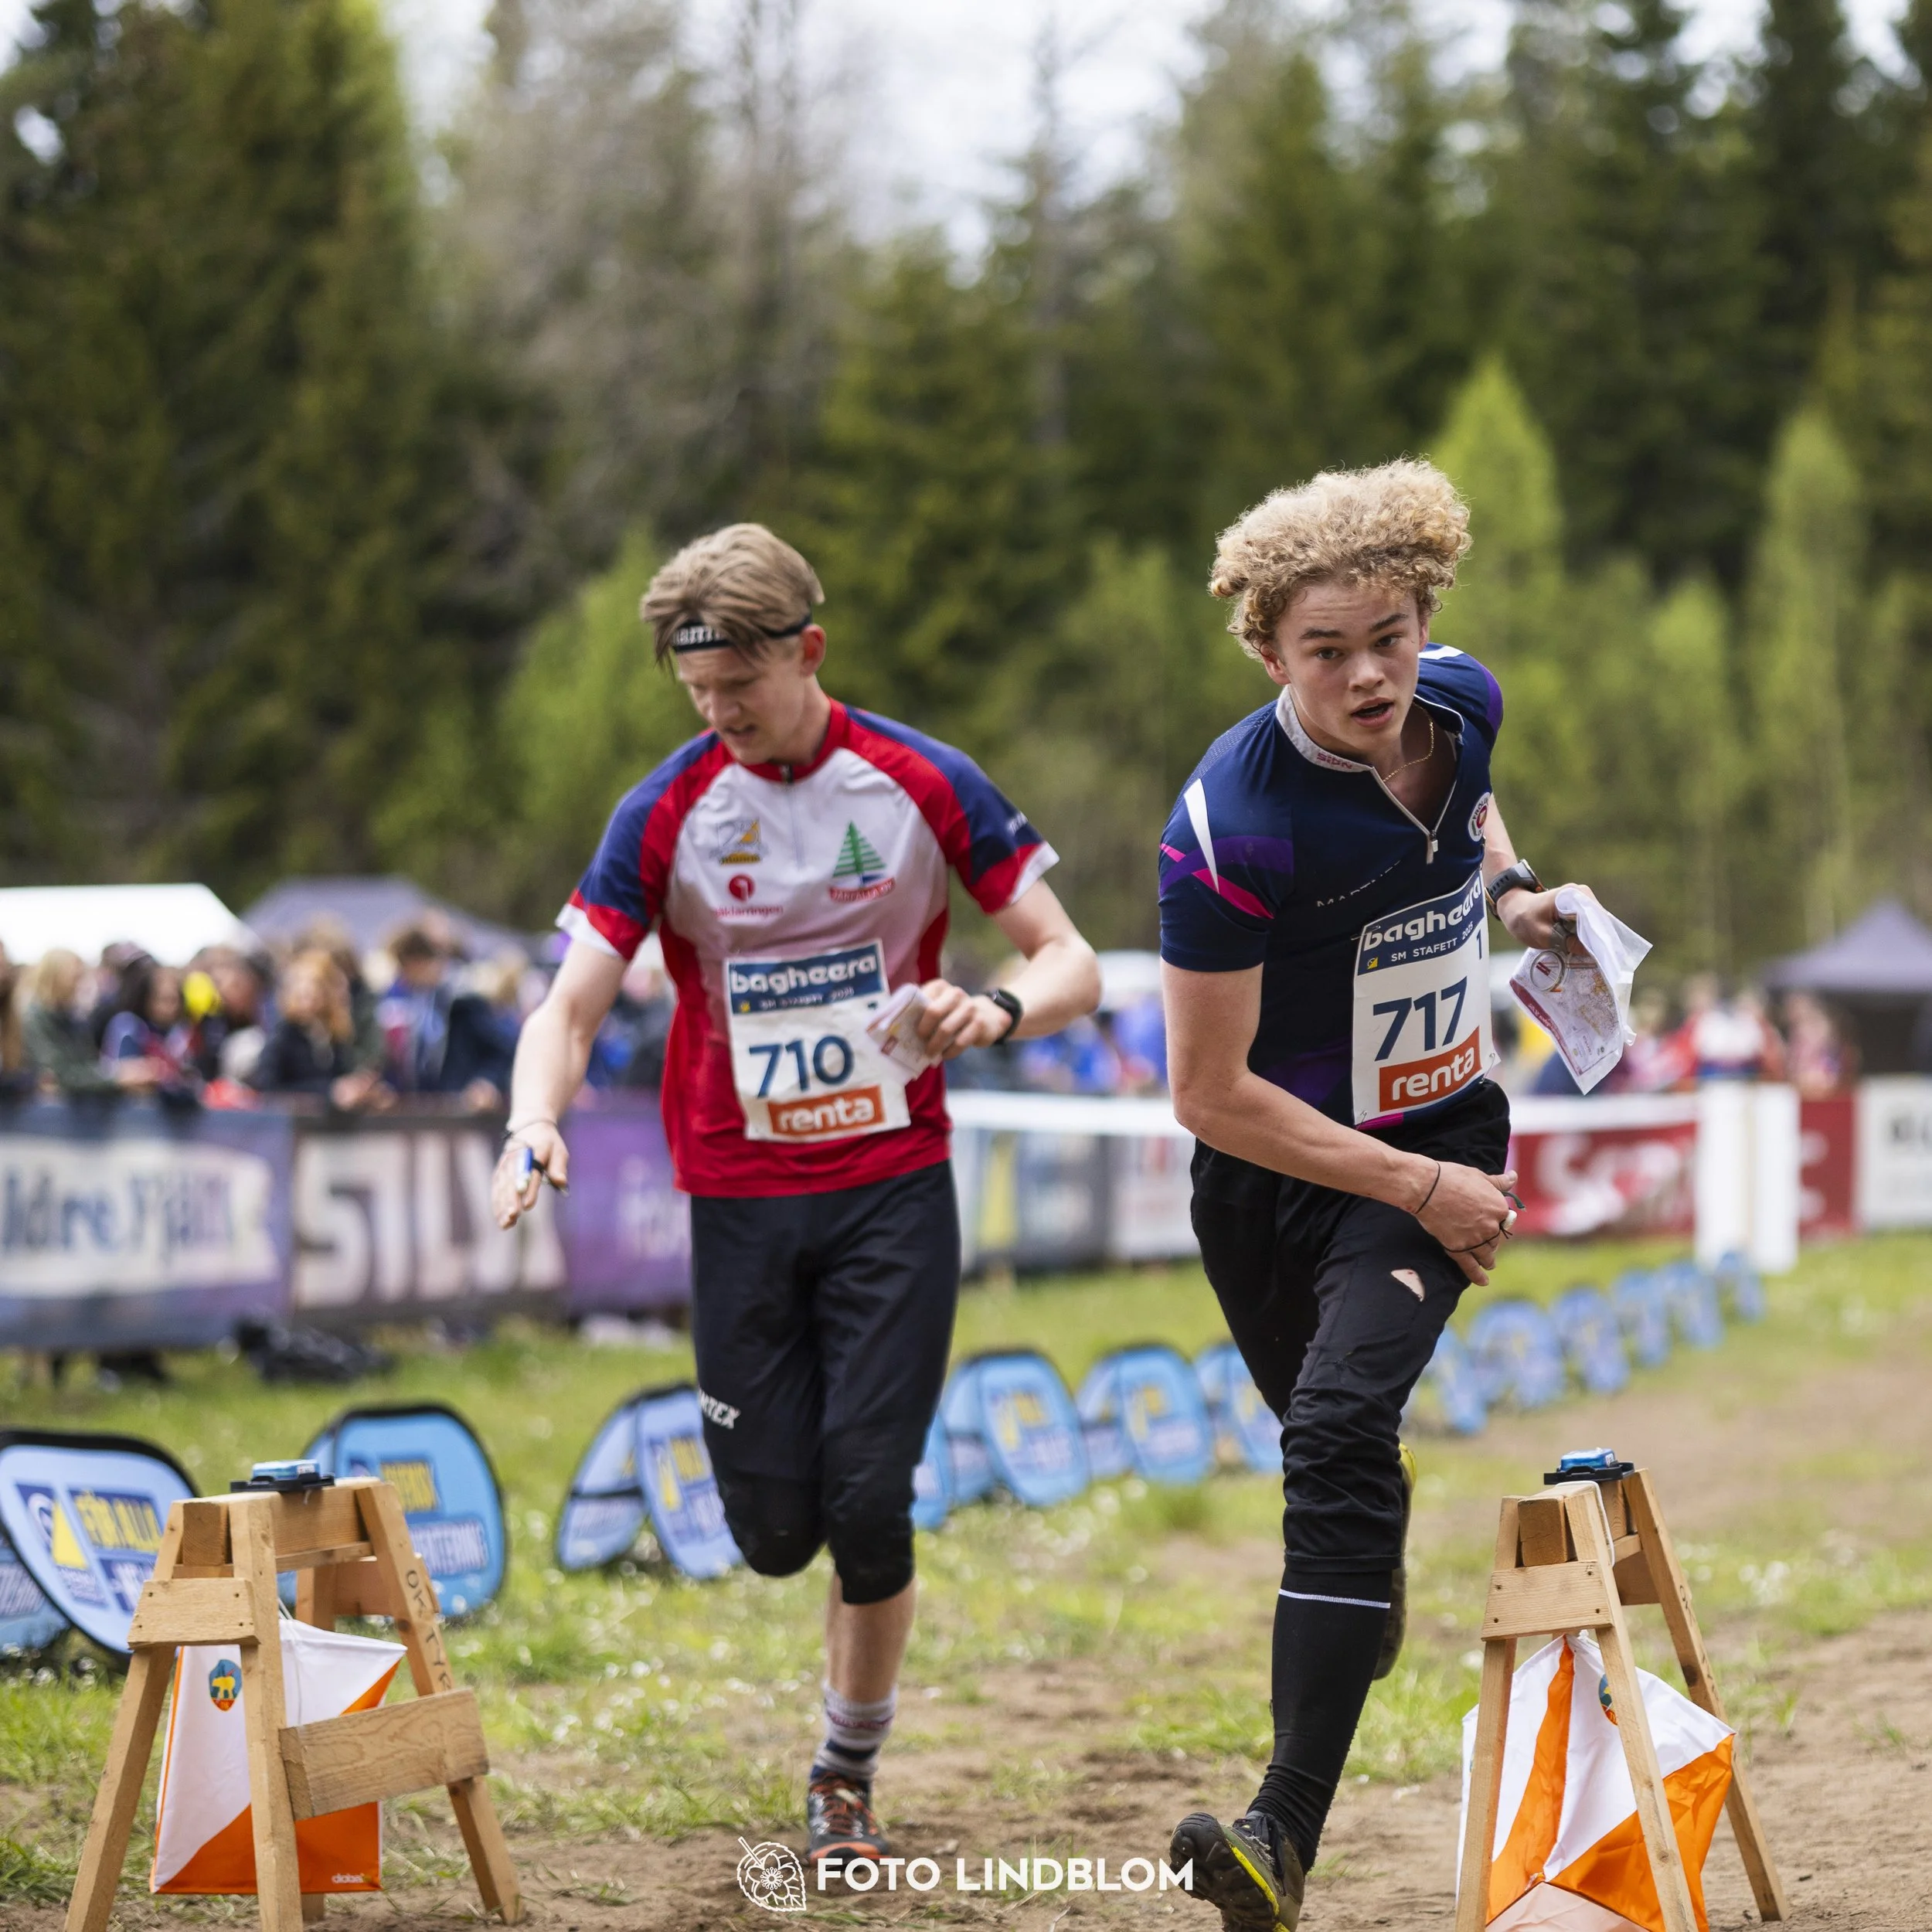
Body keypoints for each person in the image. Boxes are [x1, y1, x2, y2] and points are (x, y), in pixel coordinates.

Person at [490, 522, 1100, 1872]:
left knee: (871, 1502)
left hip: (893, 1191)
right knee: (773, 1536)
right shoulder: (665, 810)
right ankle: (821, 1662)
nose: (721, 718)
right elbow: (568, 1005)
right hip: (741, 1202)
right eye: (698, 697)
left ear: (808, 653)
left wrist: (990, 1009)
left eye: (742, 691)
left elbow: (1073, 964)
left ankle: (845, 1774)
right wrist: (533, 1119)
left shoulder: (921, 781)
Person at [1157, 461, 1603, 1930]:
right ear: (1270, 650)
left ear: (1429, 621)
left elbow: (1469, 816)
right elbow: (1208, 1096)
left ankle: (1279, 1836)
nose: (1368, 677)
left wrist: (1521, 896)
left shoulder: (1463, 701)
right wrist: (1413, 1182)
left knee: (1339, 1429)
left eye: (1391, 639)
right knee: (1331, 1450)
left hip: (1438, 1130)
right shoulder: (1233, 823)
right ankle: (1365, 1569)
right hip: (1279, 1166)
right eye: (1325, 651)